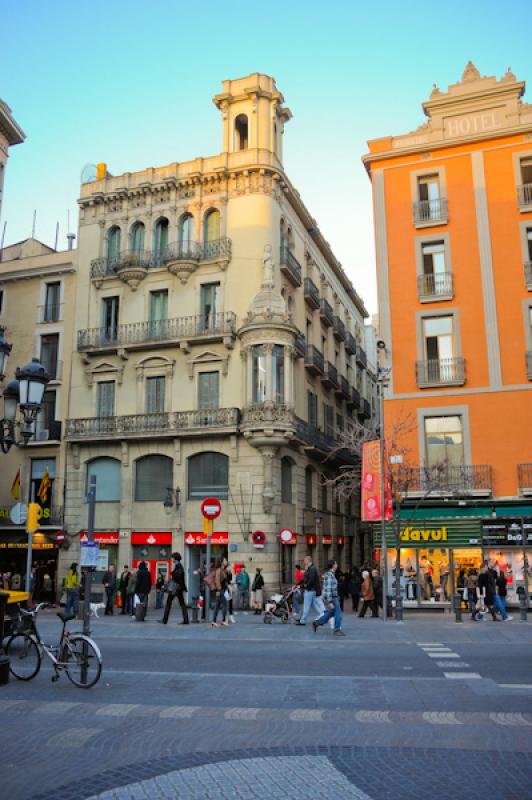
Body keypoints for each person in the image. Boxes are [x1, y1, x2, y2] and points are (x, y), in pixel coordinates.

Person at [312, 560, 345, 637]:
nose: (337, 564)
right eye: (336, 563)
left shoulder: (330, 575)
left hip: (333, 597)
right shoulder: (330, 575)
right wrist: (330, 601)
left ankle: (317, 623)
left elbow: (325, 588)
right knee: (338, 613)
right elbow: (328, 588)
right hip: (332, 598)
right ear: (333, 565)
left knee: (331, 612)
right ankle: (337, 630)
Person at [161, 553, 189, 624]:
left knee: (169, 602)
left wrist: (173, 574)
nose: (172, 559)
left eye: (172, 558)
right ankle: (186, 620)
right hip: (178, 588)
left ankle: (165, 620)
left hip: (176, 588)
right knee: (182, 604)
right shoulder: (178, 566)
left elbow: (179, 576)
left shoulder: (178, 566)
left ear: (175, 558)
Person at [297, 555, 324, 626]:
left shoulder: (312, 569)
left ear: (308, 561)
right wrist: (298, 584)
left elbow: (310, 580)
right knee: (313, 605)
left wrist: (305, 586)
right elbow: (305, 579)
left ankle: (303, 621)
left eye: (304, 560)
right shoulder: (310, 568)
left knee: (306, 605)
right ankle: (323, 617)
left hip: (310, 590)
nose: (303, 562)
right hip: (312, 590)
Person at [212, 557, 229, 628]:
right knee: (225, 604)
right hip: (220, 590)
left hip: (222, 590)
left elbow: (224, 581)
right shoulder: (219, 570)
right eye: (225, 560)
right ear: (222, 562)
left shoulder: (223, 570)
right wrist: (218, 590)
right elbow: (217, 581)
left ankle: (214, 621)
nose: (226, 561)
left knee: (217, 606)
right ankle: (223, 621)